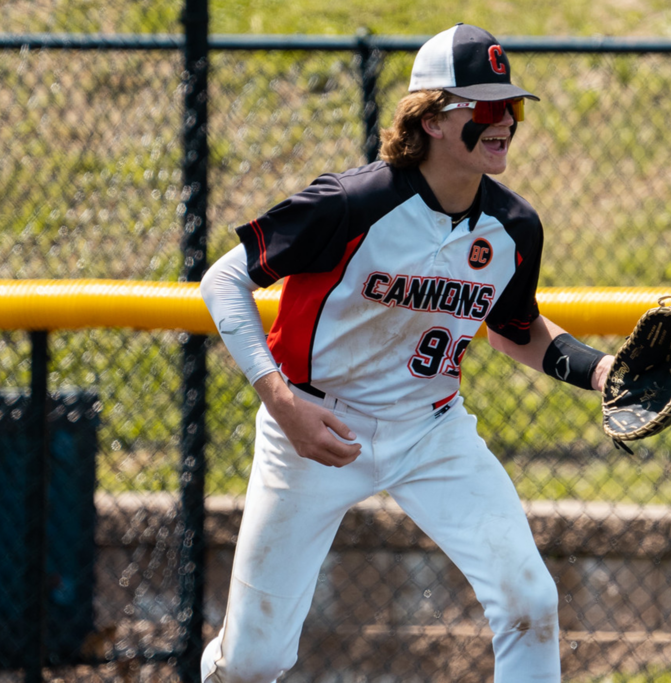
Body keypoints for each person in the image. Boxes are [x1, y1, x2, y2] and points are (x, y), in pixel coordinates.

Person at [199, 23, 614, 683]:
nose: (506, 119)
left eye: (514, 105)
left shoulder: (514, 226)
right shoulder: (352, 202)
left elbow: (512, 326)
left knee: (529, 600)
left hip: (430, 429)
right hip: (314, 425)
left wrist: (605, 373)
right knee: (252, 661)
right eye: (486, 105)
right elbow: (223, 279)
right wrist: (280, 402)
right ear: (434, 118)